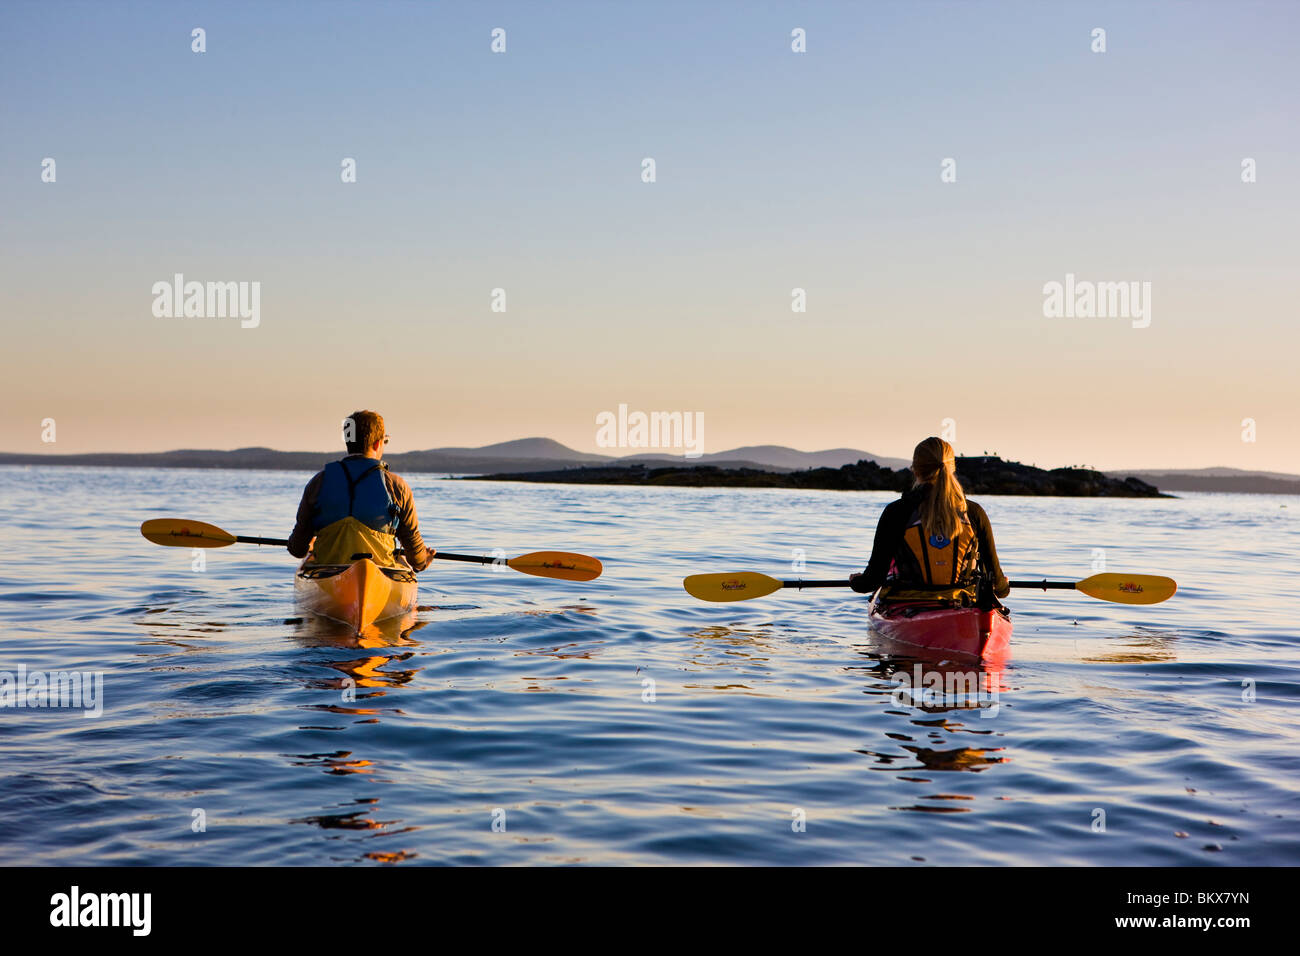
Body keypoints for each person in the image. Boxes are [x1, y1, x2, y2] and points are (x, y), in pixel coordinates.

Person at [849, 436, 1009, 605]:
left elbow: (872, 581)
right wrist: (1004, 587)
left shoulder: (896, 512)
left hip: (906, 604)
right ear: (952, 468)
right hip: (962, 603)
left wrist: (856, 582)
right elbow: (997, 584)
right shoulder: (975, 513)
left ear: (915, 470)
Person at [287, 410, 434, 571]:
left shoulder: (318, 482)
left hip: (328, 571)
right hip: (380, 574)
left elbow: (296, 549)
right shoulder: (397, 486)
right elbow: (416, 557)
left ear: (348, 443)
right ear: (378, 443)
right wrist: (423, 560)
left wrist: (309, 545)